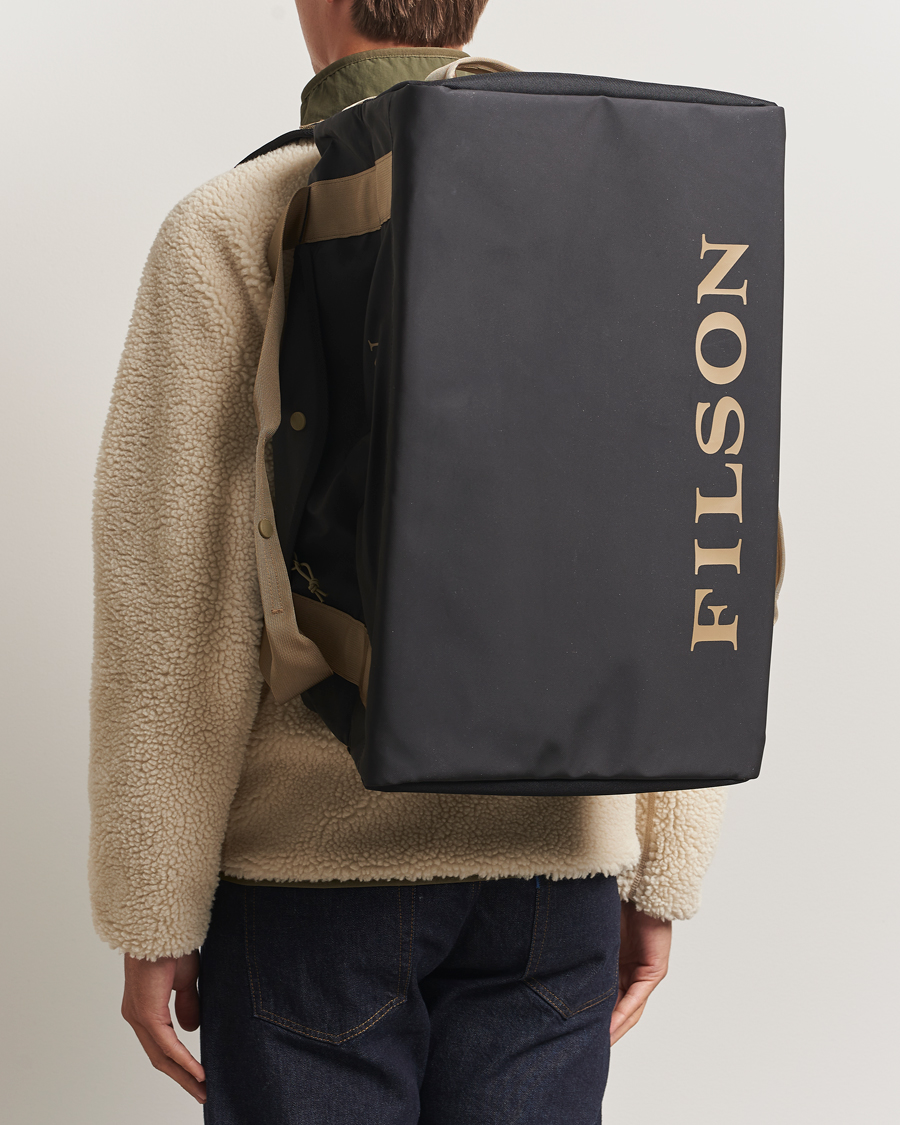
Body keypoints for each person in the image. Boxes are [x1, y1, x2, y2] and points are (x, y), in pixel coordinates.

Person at [90, 1, 727, 1120]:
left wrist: (155, 910)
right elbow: (695, 527)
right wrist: (664, 862)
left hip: (310, 885)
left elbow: (172, 598)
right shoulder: (634, 196)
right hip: (558, 876)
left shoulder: (234, 220)